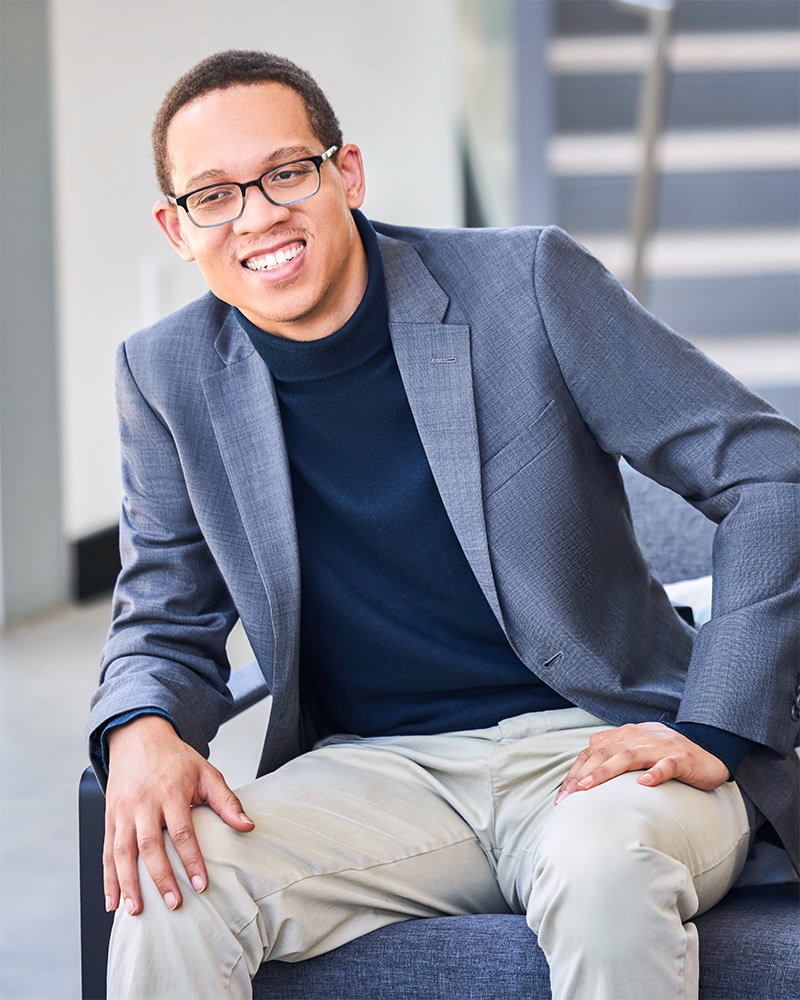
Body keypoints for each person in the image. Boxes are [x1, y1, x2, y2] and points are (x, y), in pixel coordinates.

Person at [86, 49, 800, 1000]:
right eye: (214, 195)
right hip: (375, 777)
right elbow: (164, 617)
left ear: (347, 173)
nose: (257, 215)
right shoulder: (165, 373)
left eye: (286, 173)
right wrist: (137, 723)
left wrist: (716, 722)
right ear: (177, 228)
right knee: (173, 891)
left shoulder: (526, 285)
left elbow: (770, 471)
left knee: (605, 874)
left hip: (595, 743)